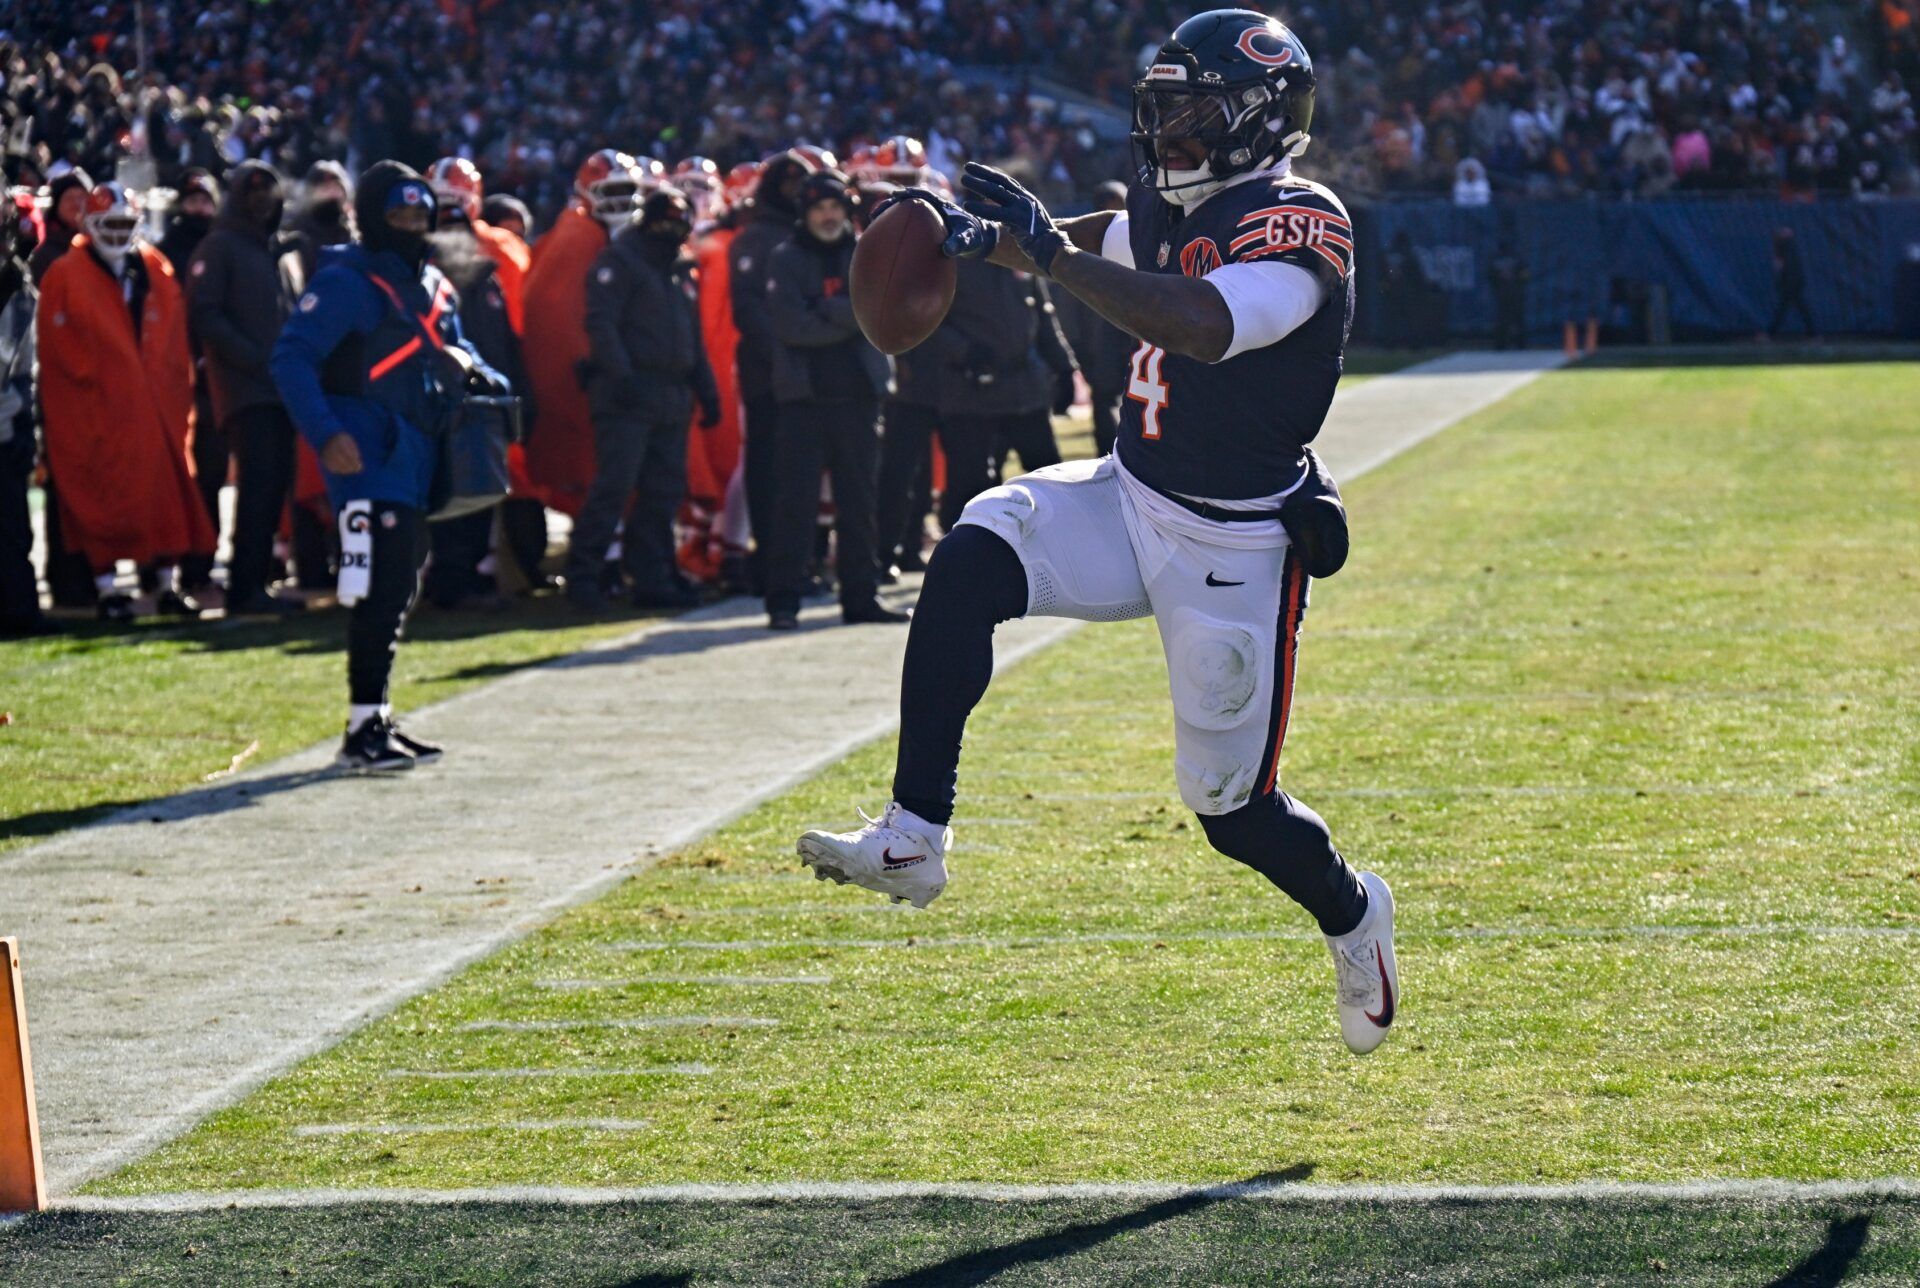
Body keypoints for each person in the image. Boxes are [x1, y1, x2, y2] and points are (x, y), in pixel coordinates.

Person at [796, 11, 1398, 1057]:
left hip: (1232, 541)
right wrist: (999, 247)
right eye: (1162, 115)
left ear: (1261, 119)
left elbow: (1205, 322)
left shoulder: (1303, 220)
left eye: (1195, 116)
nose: (1170, 138)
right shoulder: (1169, 205)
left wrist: (1053, 257)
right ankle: (914, 835)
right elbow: (1100, 240)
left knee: (1229, 808)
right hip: (1131, 493)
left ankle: (1354, 914)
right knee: (978, 542)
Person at [270, 162, 505, 772]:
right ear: (373, 218)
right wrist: (326, 434)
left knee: (401, 582)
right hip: (368, 450)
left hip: (420, 450)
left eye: (418, 216)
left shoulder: (434, 283)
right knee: (381, 584)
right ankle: (360, 726)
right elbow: (292, 359)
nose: (410, 226)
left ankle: (374, 716)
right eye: (398, 215)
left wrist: (481, 373)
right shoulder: (346, 282)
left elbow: (460, 346)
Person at [37, 182, 215, 622]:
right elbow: (60, 351)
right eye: (108, 224)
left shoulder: (155, 268)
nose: (116, 233)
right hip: (98, 408)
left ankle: (167, 583)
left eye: (123, 223)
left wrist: (169, 394)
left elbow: (173, 341)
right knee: (103, 496)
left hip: (153, 407)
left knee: (165, 493)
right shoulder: (65, 274)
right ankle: (107, 588)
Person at [762, 169, 905, 631]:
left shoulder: (865, 252)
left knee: (860, 503)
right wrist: (849, 315)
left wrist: (828, 309)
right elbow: (790, 326)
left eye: (835, 207)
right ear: (805, 212)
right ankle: (783, 601)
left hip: (859, 397)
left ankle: (861, 598)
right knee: (794, 506)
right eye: (819, 207)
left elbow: (882, 312)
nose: (828, 216)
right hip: (804, 400)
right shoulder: (785, 257)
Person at [567, 186, 719, 612]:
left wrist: (707, 392)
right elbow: (602, 324)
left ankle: (653, 576)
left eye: (679, 222)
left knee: (663, 493)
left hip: (671, 393)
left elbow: (693, 338)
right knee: (613, 489)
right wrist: (622, 377)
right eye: (665, 221)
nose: (672, 230)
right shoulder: (620, 262)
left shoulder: (679, 269)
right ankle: (583, 578)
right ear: (647, 221)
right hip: (626, 395)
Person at [187, 161, 307, 614]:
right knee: (257, 487)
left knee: (274, 487)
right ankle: (244, 586)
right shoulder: (220, 247)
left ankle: (254, 582)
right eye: (252, 191)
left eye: (268, 192)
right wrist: (255, 360)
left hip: (279, 390)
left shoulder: (275, 253)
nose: (261, 199)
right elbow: (205, 314)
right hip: (246, 389)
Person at [521, 149, 644, 523]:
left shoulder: (595, 234)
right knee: (596, 469)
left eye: (626, 189)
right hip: (591, 374)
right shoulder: (579, 235)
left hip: (605, 370)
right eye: (611, 190)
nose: (620, 201)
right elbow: (563, 317)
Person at [729, 150, 815, 592]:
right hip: (769, 376)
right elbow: (747, 311)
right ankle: (768, 564)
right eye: (788, 187)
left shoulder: (809, 237)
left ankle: (796, 564)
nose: (795, 195)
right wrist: (788, 350)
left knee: (800, 476)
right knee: (768, 472)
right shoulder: (755, 238)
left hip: (807, 375)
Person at [159, 169, 226, 596]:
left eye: (206, 200)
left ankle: (201, 562)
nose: (198, 208)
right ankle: (163, 564)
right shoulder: (163, 253)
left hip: (213, 382)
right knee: (173, 474)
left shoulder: (221, 251)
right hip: (171, 380)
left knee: (212, 476)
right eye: (192, 200)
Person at [0, 197, 53, 636]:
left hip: (5, 422)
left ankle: (19, 610)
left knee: (15, 529)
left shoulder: (19, 290)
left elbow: (24, 370)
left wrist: (24, 428)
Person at [1055, 181, 1135, 457]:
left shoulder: (1140, 245)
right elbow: (1070, 306)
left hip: (1133, 338)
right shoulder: (1082, 251)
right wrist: (1078, 348)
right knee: (1105, 408)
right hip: (1099, 344)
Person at [1766, 226, 1814, 338]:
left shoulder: (1786, 247)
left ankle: (1770, 334)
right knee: (1789, 308)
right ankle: (1813, 334)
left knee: (1789, 308)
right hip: (1793, 283)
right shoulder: (1787, 248)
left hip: (1791, 283)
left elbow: (1781, 266)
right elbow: (1781, 266)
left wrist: (1784, 281)